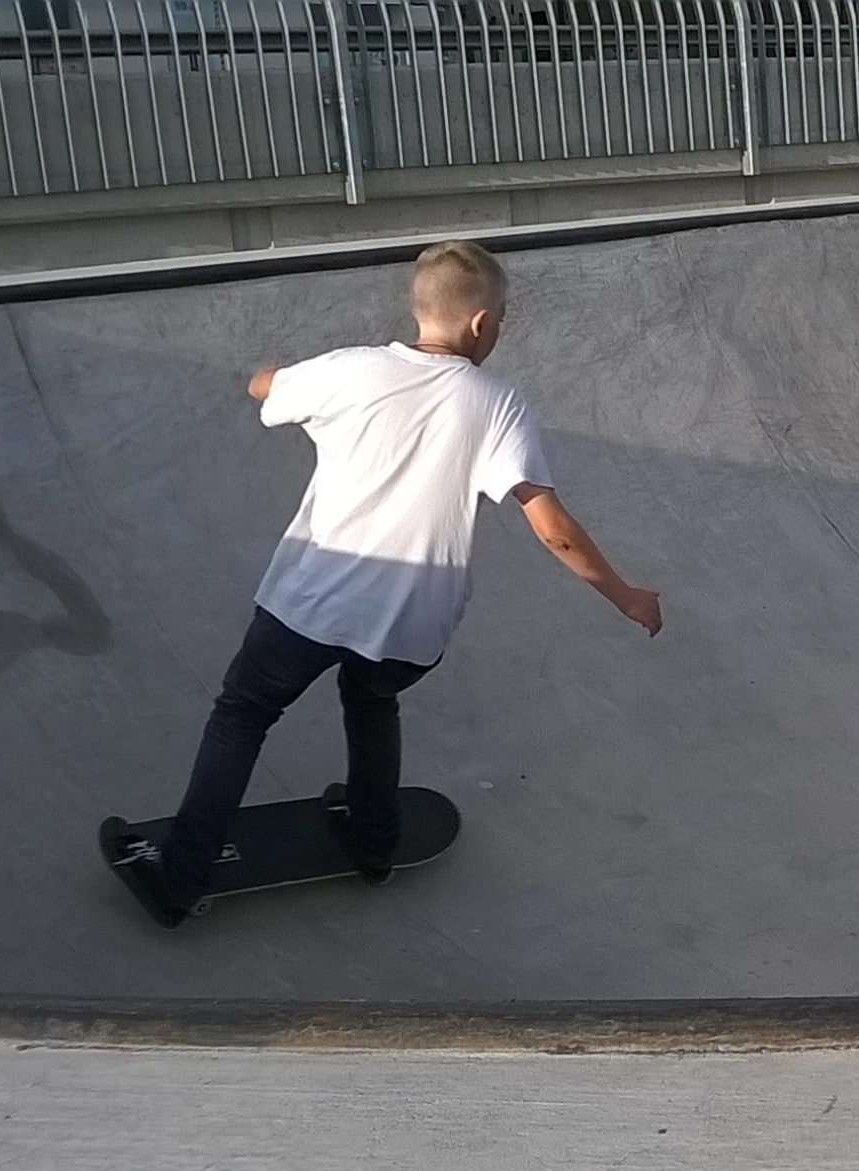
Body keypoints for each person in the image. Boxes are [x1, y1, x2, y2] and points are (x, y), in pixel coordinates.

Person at [124, 239, 661, 925]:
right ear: (478, 323)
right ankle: (375, 845)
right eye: (501, 319)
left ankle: (182, 878)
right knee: (373, 702)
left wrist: (275, 379)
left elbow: (264, 387)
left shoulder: (352, 370)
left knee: (243, 715)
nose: (498, 331)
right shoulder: (497, 404)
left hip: (307, 603)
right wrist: (626, 595)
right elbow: (550, 524)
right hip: (410, 624)